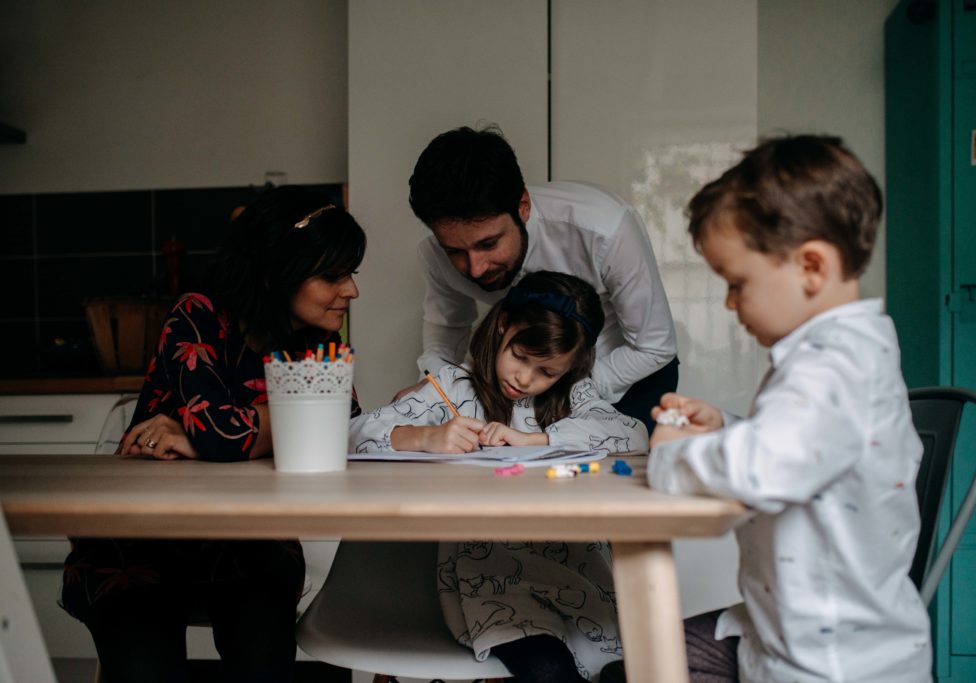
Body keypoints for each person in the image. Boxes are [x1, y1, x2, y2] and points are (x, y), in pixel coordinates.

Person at [601, 135, 932, 683]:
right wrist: (726, 427)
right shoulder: (837, 353)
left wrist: (673, 456)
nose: (730, 304)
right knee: (643, 656)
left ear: (810, 268)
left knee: (642, 663)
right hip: (786, 633)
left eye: (737, 284)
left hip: (829, 665)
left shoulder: (835, 366)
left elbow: (761, 469)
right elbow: (799, 448)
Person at [61, 186, 367, 683]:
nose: (352, 289)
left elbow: (344, 429)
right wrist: (288, 421)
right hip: (141, 538)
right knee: (144, 664)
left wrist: (215, 431)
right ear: (276, 270)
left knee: (264, 651)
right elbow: (223, 433)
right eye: (333, 275)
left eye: (351, 273)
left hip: (247, 539)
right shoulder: (198, 314)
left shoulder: (315, 341)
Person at [350, 271, 647, 682]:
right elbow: (352, 434)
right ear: (503, 324)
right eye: (521, 357)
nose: (526, 379)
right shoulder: (451, 388)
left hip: (581, 574)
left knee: (629, 668)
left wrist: (536, 439)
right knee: (547, 670)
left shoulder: (572, 397)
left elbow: (634, 434)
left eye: (547, 372)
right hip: (493, 582)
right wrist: (425, 436)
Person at [402, 125, 678, 434]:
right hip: (524, 393)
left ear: (523, 207)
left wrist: (564, 391)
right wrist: (434, 393)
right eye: (455, 250)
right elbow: (445, 336)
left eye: (488, 244)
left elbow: (655, 347)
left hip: (628, 377)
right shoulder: (433, 254)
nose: (476, 269)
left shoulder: (606, 228)